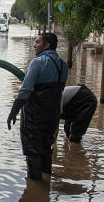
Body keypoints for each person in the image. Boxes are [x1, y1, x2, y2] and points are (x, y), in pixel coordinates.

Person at [7, 32, 68, 180]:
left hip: (34, 116)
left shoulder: (38, 63)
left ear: (46, 45)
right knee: (46, 149)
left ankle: (35, 191)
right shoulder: (63, 65)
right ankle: (46, 186)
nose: (34, 45)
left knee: (33, 152)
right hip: (52, 115)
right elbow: (59, 90)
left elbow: (25, 91)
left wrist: (13, 113)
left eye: (37, 42)